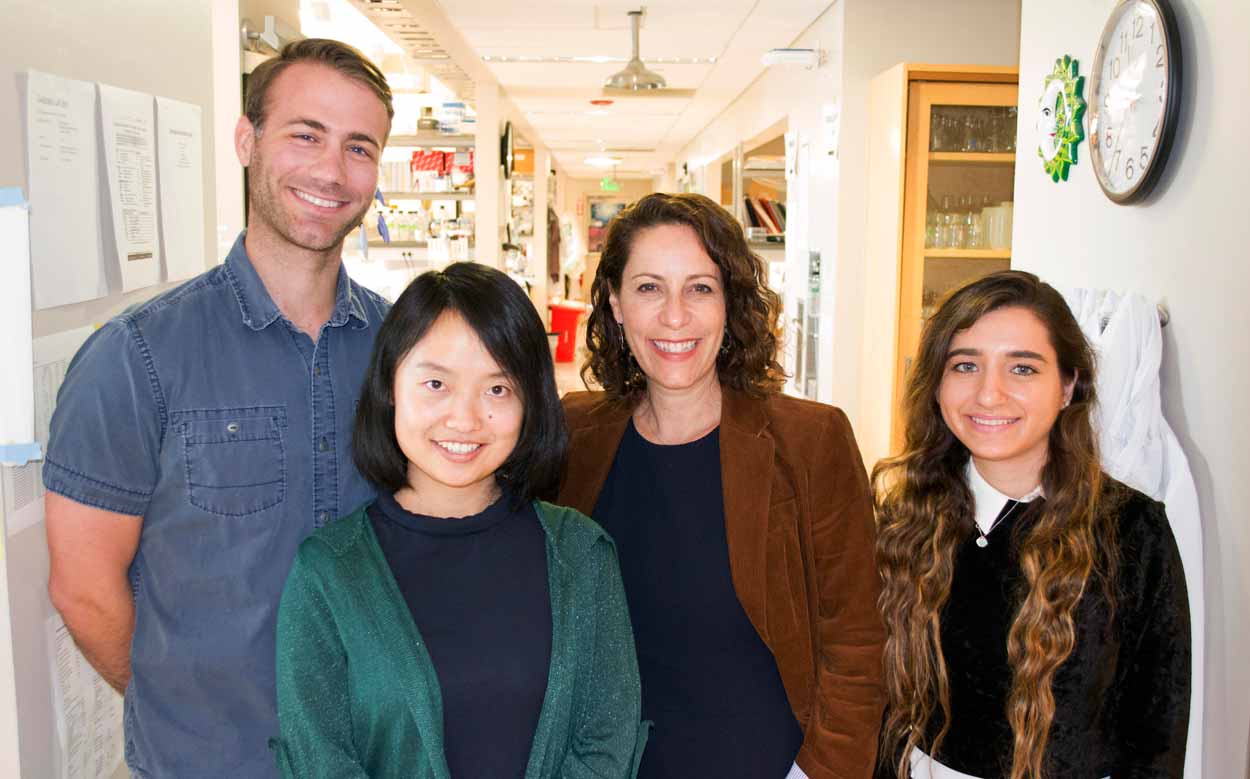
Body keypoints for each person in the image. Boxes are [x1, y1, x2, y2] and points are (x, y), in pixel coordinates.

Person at [43, 40, 393, 777]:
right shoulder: (136, 357)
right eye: (305, 134)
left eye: (358, 147)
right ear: (247, 140)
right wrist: (182, 712)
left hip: (375, 757)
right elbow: (81, 584)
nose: (331, 170)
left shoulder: (406, 353)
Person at [271, 262, 645, 778]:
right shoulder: (329, 572)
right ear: (389, 388)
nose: (464, 419)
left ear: (530, 404)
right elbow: (320, 757)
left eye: (497, 390)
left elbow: (607, 737)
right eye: (435, 383)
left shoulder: (581, 554)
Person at [559, 192, 885, 779]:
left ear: (731, 304)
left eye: (700, 288)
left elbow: (859, 641)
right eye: (649, 287)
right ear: (615, 303)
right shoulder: (576, 434)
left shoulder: (810, 442)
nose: (675, 316)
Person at [872, 271, 1190, 779]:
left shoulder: (1130, 529)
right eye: (965, 365)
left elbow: (1157, 733)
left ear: (1068, 386)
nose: (989, 394)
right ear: (936, 384)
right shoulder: (902, 518)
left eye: (1022, 368)